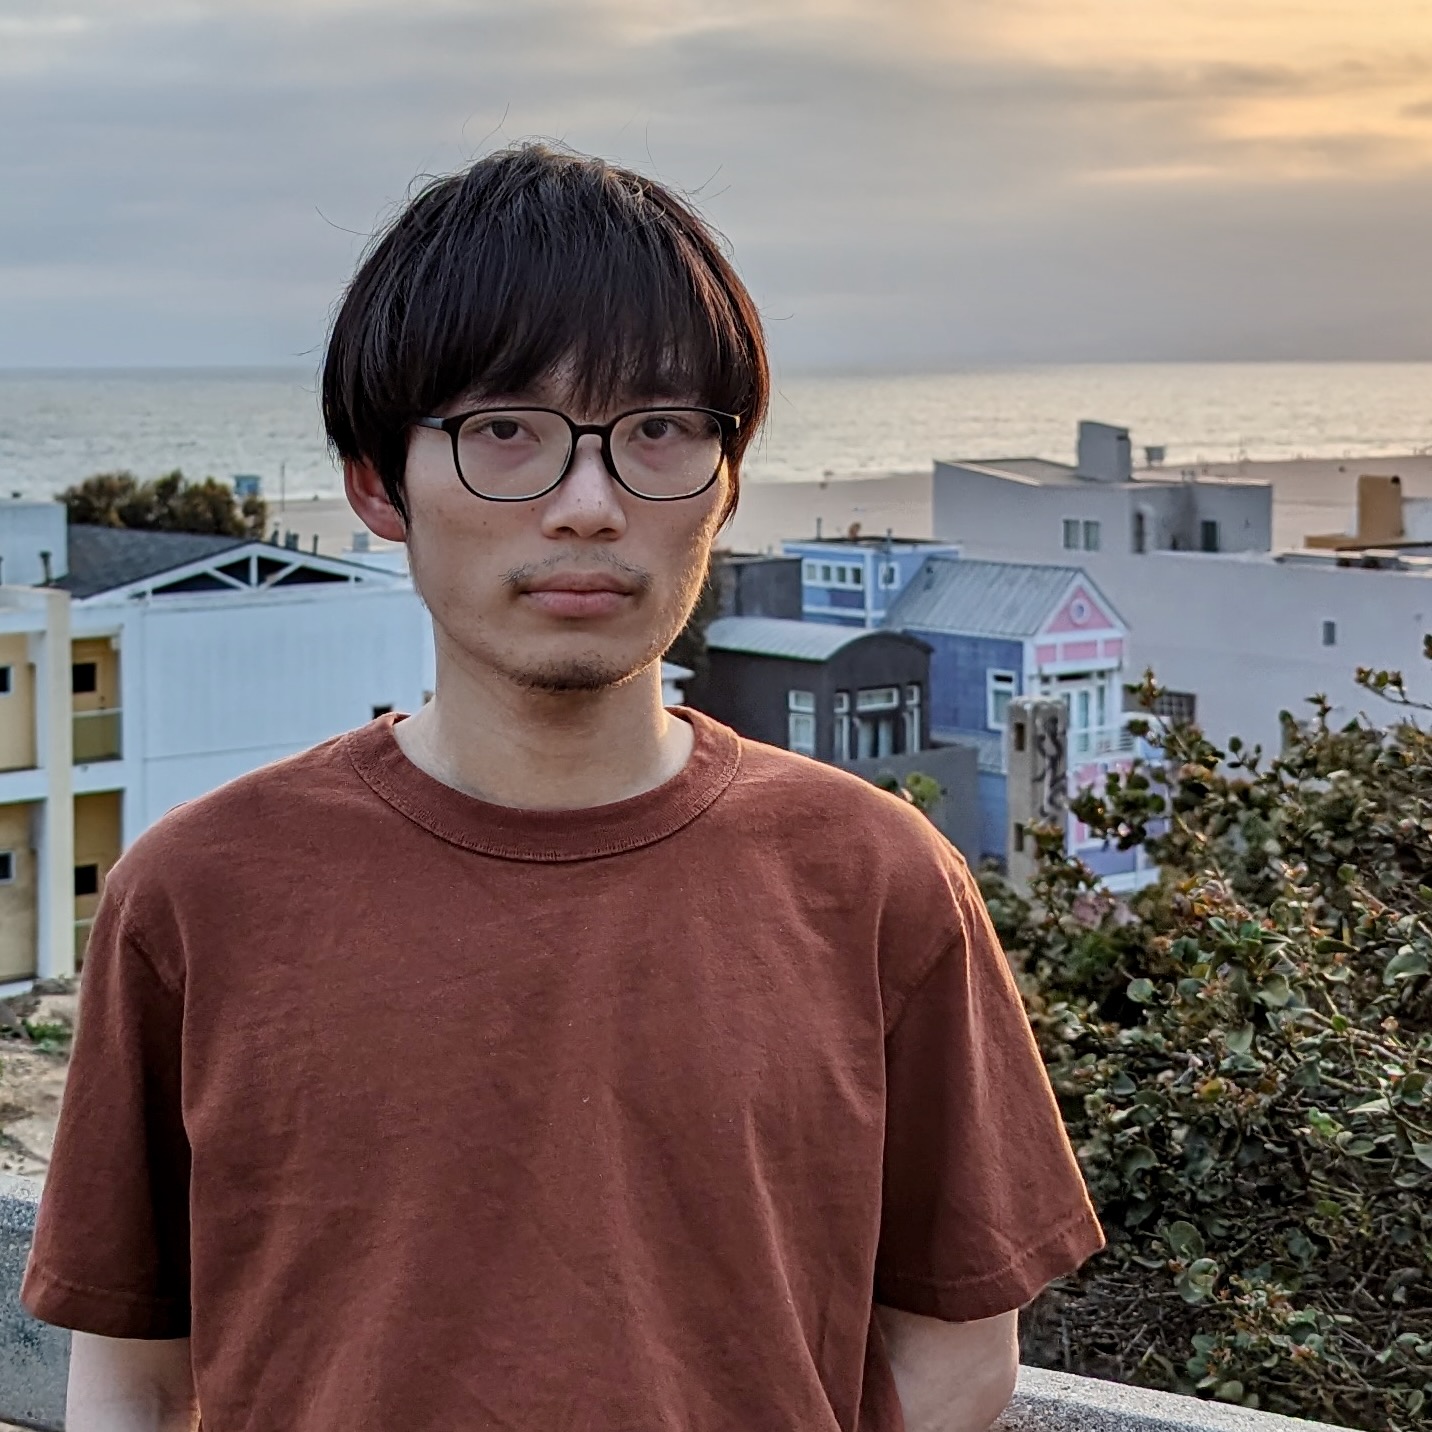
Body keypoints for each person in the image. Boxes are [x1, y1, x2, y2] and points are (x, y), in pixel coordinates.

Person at [23, 143, 1103, 1432]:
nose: (589, 504)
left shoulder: (873, 877)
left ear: (728, 479)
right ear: (378, 484)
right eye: (504, 434)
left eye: (657, 432)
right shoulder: (201, 891)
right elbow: (133, 1380)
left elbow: (954, 1356)